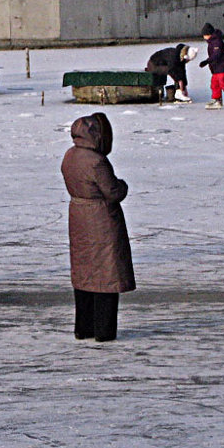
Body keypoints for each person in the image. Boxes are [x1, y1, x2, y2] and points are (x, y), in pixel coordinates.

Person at [60, 112, 135, 343]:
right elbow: (113, 191)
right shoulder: (96, 161)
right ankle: (103, 331)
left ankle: (84, 327)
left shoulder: (70, 155)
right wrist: (123, 185)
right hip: (101, 219)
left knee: (84, 273)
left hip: (79, 216)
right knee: (106, 275)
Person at [199, 22, 224, 110]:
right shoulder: (212, 41)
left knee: (223, 83)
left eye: (204, 35)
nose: (203, 37)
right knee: (214, 84)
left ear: (208, 34)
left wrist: (207, 61)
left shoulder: (216, 41)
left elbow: (217, 54)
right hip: (216, 68)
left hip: (222, 67)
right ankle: (217, 100)